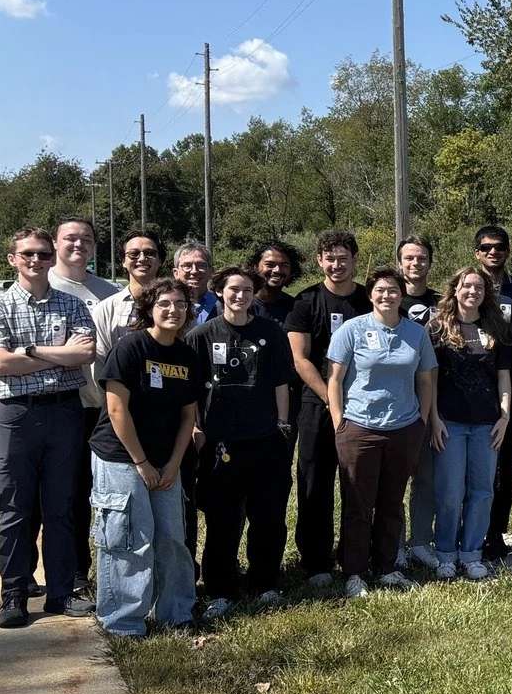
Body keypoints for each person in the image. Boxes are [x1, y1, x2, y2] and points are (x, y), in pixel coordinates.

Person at [0, 227, 97, 627]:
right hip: (17, 415)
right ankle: (14, 594)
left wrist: (26, 351)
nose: (36, 261)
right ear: (13, 259)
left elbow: (84, 354)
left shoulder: (71, 304)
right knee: (14, 508)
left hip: (64, 413)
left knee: (61, 507)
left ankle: (60, 594)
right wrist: (55, 356)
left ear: (51, 258)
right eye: (27, 254)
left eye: (44, 255)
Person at [90, 278, 204, 637]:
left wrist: (172, 465)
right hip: (122, 459)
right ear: (149, 310)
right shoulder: (131, 348)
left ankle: (176, 612)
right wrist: (141, 463)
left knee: (172, 538)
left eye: (181, 304)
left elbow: (189, 415)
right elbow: (116, 409)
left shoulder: (187, 355)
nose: (174, 310)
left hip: (165, 461)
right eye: (165, 304)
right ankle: (123, 622)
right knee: (129, 540)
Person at [185, 266, 294, 616]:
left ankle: (265, 583)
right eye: (233, 289)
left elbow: (281, 382)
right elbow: (189, 392)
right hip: (220, 442)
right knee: (222, 520)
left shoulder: (271, 332)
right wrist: (197, 431)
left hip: (265, 440)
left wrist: (281, 425)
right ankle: (221, 589)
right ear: (219, 292)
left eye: (247, 290)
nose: (240, 296)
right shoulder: (201, 335)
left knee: (269, 517)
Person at [327, 265, 435, 597]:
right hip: (359, 428)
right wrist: (339, 423)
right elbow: (334, 379)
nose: (386, 295)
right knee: (359, 503)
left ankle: (387, 567)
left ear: (402, 295)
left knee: (391, 502)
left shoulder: (416, 333)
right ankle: (355, 572)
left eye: (392, 290)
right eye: (380, 290)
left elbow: (426, 379)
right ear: (370, 294)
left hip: (404, 428)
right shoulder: (352, 329)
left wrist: (422, 423)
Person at [286, 230, 372, 584]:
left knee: (359, 483)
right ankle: (317, 562)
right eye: (329, 258)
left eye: (343, 258)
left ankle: (357, 555)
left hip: (365, 405)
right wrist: (329, 397)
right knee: (314, 482)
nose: (336, 265)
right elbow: (300, 359)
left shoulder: (369, 300)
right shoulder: (305, 302)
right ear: (320, 261)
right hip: (317, 403)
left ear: (354, 259)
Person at [41, 215, 117, 592]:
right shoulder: (44, 285)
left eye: (86, 239)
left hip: (108, 410)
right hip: (65, 406)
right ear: (55, 243)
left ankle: (113, 569)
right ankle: (73, 573)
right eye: (70, 238)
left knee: (109, 495)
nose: (78, 245)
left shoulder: (110, 291)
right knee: (68, 496)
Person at [427, 266, 512, 579]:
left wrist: (504, 416)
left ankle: (472, 553)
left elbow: (504, 378)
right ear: (455, 289)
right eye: (467, 286)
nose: (473, 292)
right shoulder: (437, 327)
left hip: (486, 424)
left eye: (479, 288)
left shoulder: (495, 327)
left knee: (482, 491)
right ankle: (446, 553)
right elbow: (430, 380)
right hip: (449, 422)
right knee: (449, 493)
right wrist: (433, 419)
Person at [473, 226, 512, 562]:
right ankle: (472, 530)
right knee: (475, 463)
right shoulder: (468, 286)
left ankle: (496, 532)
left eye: (500, 247)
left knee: (505, 463)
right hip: (473, 386)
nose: (494, 252)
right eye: (487, 247)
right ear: (477, 252)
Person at [396, 235, 441, 569]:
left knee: (425, 478)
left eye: (421, 258)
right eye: (409, 258)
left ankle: (422, 541)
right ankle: (395, 544)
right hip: (393, 403)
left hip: (430, 401)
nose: (415, 264)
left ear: (429, 262)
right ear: (400, 263)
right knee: (393, 479)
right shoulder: (386, 301)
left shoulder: (444, 303)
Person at [91, 228, 164, 379]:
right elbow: (99, 363)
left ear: (160, 261)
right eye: (134, 254)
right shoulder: (105, 310)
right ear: (123, 261)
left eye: (150, 253)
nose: (142, 258)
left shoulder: (177, 307)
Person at [251, 240, 302, 326]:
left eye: (284, 265)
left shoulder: (296, 308)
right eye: (270, 265)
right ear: (256, 267)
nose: (277, 270)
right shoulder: (243, 304)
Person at [173, 242, 219, 324]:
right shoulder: (166, 305)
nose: (194, 271)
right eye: (187, 266)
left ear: (211, 271)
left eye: (201, 265)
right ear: (176, 273)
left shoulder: (221, 304)